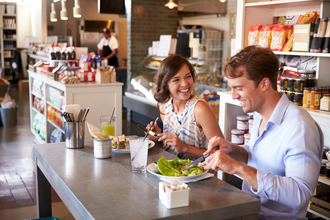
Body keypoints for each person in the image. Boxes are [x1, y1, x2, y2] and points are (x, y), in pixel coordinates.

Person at [200, 46, 323, 219]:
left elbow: (300, 194)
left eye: (239, 88)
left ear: (264, 84)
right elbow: (257, 156)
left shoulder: (299, 128)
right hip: (250, 211)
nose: (233, 95)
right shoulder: (259, 115)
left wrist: (236, 167)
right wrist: (231, 150)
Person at [146, 54, 224, 159]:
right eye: (176, 79)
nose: (185, 83)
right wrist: (156, 139)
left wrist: (184, 148)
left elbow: (221, 153)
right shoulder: (165, 107)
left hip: (200, 174)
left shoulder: (200, 109)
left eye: (188, 76)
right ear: (165, 84)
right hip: (172, 173)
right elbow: (171, 150)